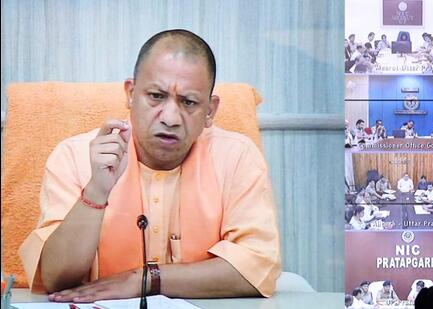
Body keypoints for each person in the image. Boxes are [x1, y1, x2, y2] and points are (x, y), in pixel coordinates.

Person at [19, 29, 281, 301]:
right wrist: (96, 191)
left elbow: (257, 268)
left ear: (210, 111)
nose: (170, 117)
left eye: (188, 102)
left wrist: (144, 279)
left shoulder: (237, 157)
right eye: (156, 96)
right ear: (130, 94)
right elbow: (55, 279)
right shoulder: (75, 156)